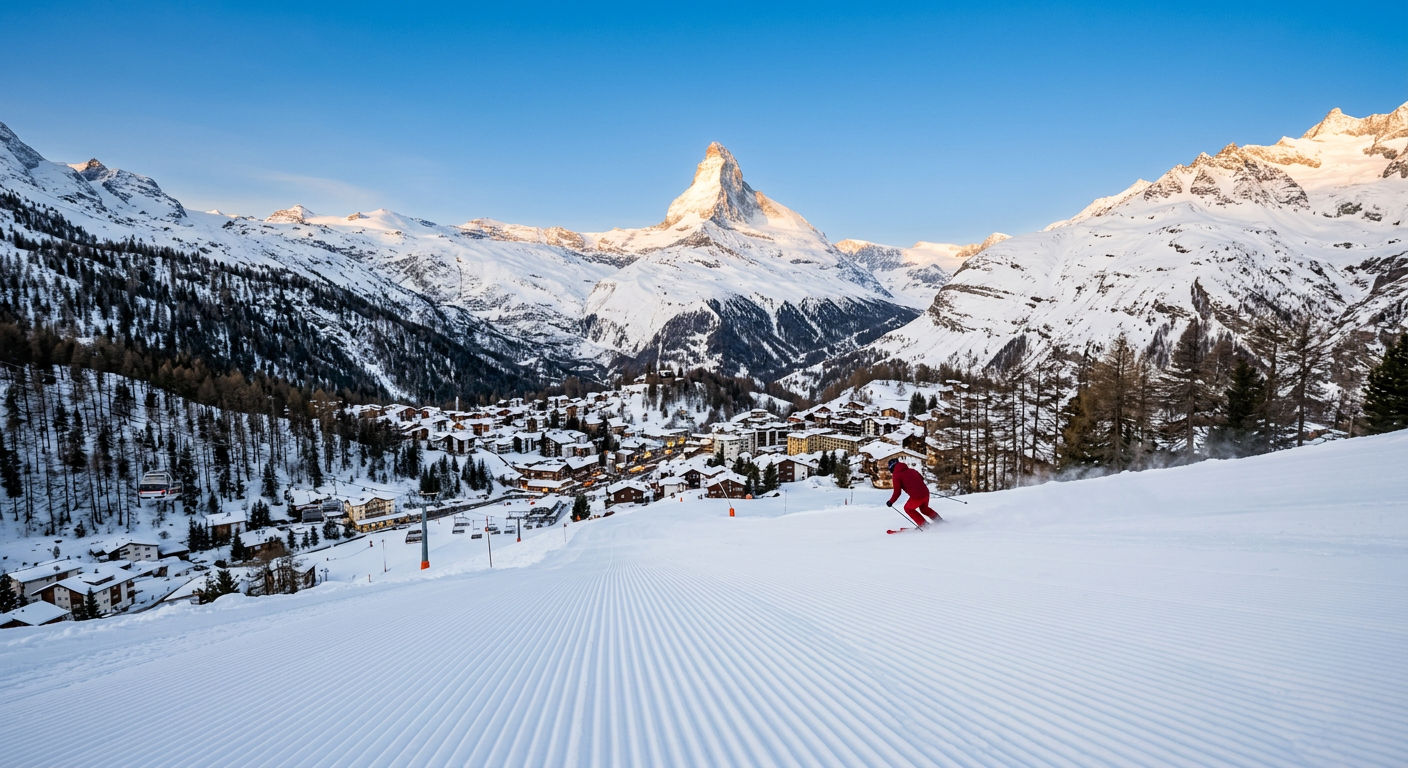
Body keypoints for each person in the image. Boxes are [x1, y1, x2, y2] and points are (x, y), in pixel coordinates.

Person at [886, 458, 941, 527]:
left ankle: (924, 525)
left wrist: (891, 501)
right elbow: (921, 478)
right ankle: (940, 521)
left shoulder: (896, 475)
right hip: (926, 493)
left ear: (891, 467)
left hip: (917, 497)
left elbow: (897, 492)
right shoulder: (912, 470)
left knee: (908, 508)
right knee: (924, 509)